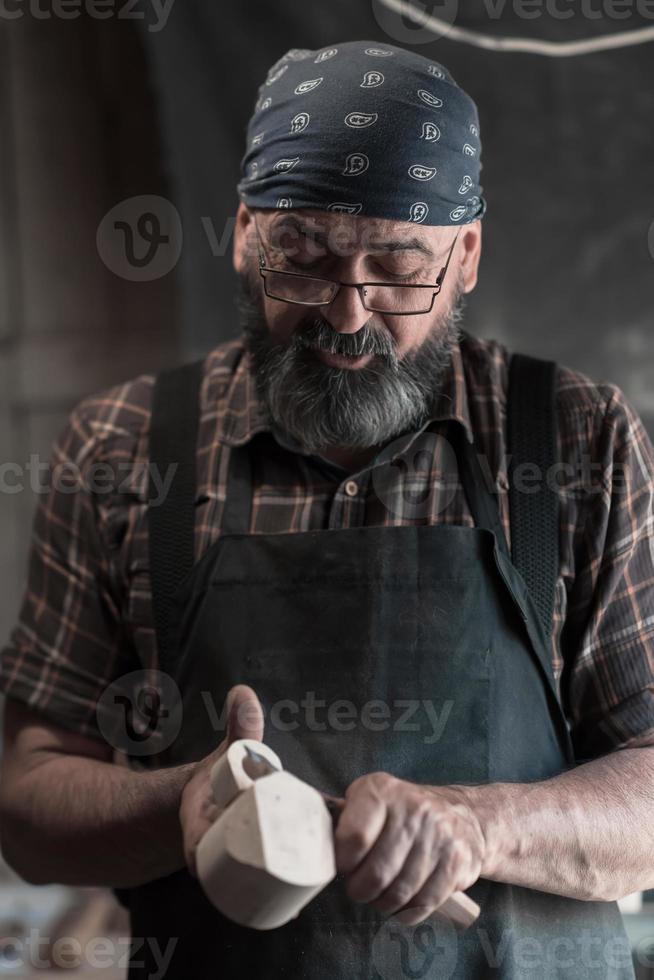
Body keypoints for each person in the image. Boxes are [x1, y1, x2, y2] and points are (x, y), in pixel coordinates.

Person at [1, 38, 653, 980]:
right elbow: (27, 807)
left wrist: (482, 826)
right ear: (240, 233)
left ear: (466, 254)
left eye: (397, 268)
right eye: (301, 258)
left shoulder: (579, 444)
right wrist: (180, 805)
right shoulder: (123, 449)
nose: (347, 317)